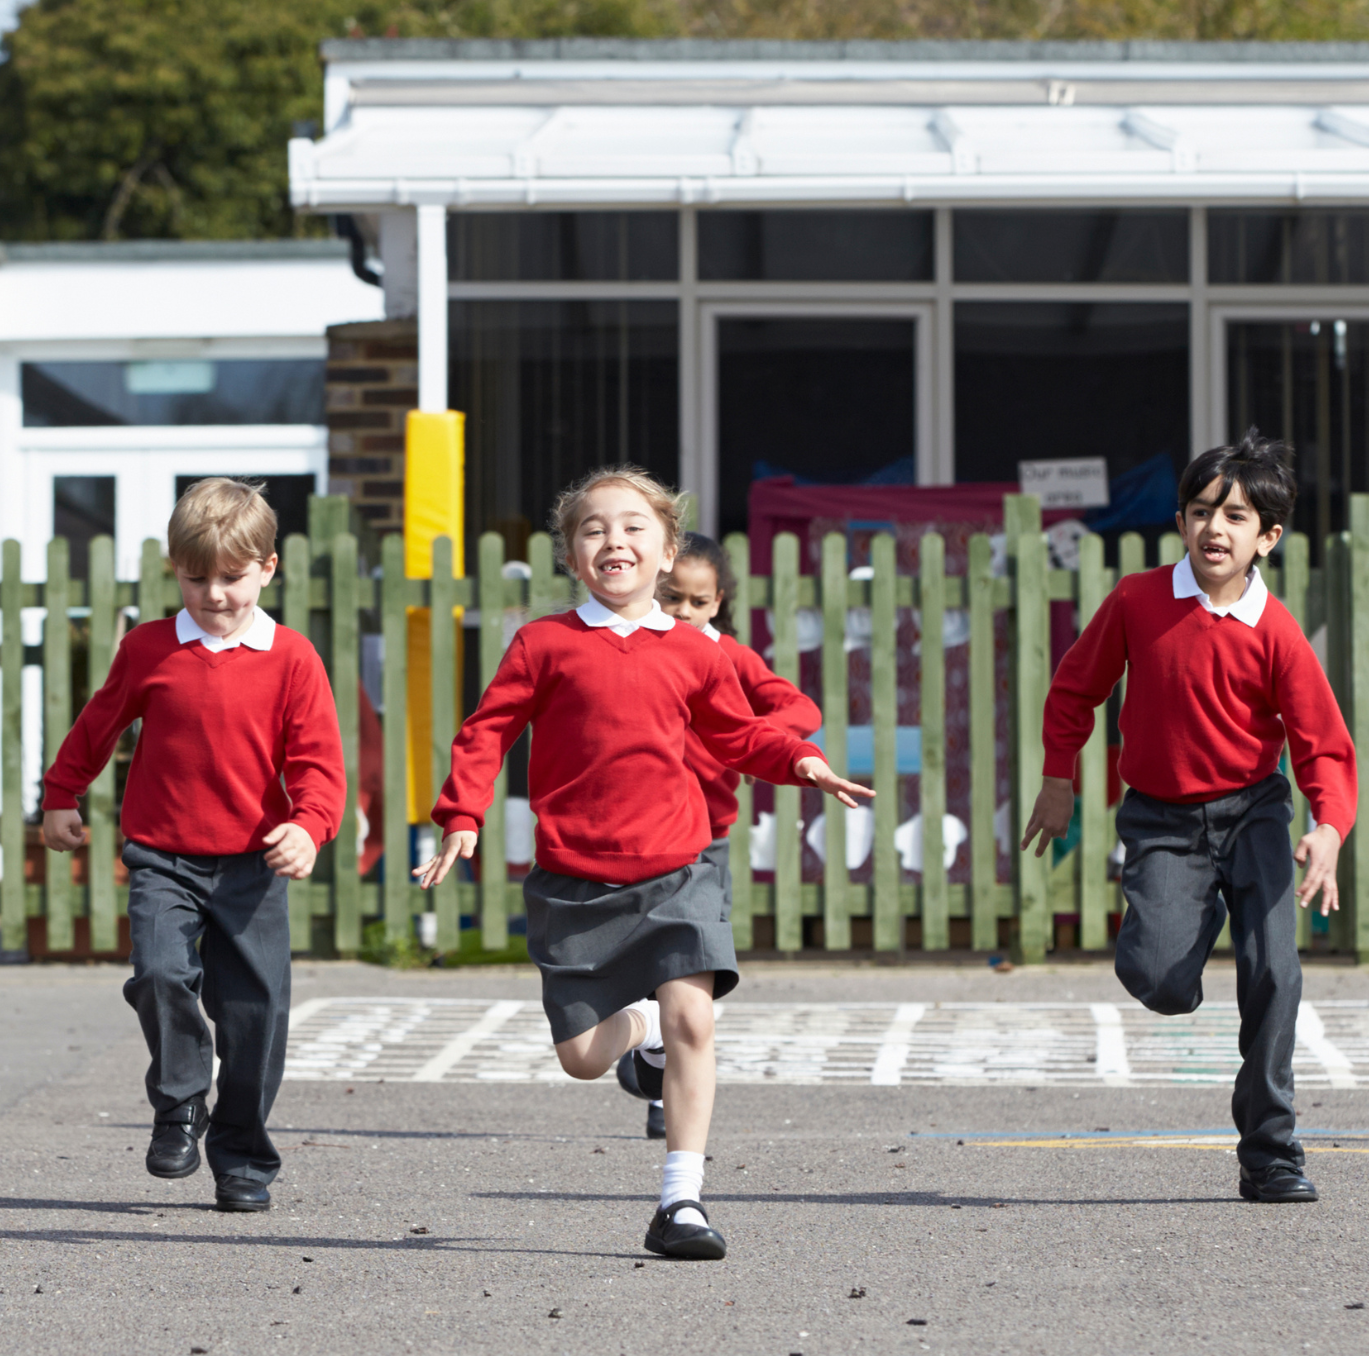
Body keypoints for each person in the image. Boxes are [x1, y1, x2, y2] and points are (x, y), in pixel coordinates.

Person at [416, 466, 871, 1260]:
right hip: (575, 878)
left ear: (666, 554)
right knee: (582, 1060)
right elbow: (485, 731)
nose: (613, 541)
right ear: (572, 554)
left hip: (677, 865)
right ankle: (636, 1028)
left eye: (633, 527)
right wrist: (462, 813)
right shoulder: (543, 643)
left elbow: (738, 733)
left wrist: (799, 761)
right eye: (593, 529)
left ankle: (680, 1201)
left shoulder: (695, 650)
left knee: (696, 1014)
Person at [1021, 430, 1356, 1204]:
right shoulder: (1138, 601)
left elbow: (1324, 748)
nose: (1215, 527)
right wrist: (1057, 778)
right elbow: (1076, 689)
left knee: (1274, 971)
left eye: (1236, 516)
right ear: (1179, 521)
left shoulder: (1275, 633)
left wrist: (1328, 830)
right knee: (1159, 978)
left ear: (1266, 538)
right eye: (1202, 510)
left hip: (1255, 814)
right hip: (1162, 821)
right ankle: (1184, 918)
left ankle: (1269, 1151)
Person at [43, 478, 345, 1212]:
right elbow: (98, 724)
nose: (213, 594)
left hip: (251, 865)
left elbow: (318, 762)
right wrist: (60, 794)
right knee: (157, 975)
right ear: (175, 569)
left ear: (267, 569)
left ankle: (242, 1157)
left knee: (255, 1015)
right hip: (162, 854)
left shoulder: (292, 657)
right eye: (196, 576)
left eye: (232, 577)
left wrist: (309, 825)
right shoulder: (150, 647)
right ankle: (179, 1101)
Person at [616, 532, 823, 1140]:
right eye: (672, 597)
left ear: (718, 602)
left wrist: (744, 737)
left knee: (696, 964)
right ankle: (654, 1049)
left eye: (698, 602)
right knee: (647, 961)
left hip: (706, 835)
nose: (684, 612)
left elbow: (799, 709)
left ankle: (664, 1088)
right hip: (639, 833)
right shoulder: (631, 649)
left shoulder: (727, 656)